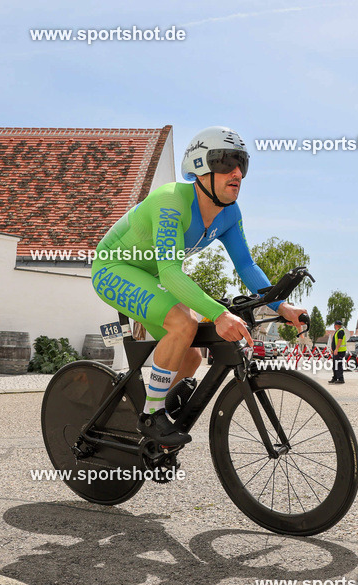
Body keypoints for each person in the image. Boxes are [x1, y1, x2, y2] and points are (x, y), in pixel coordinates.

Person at [91, 126, 307, 445]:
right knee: (184, 324)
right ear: (200, 168)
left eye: (242, 163)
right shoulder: (171, 201)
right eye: (225, 162)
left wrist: (282, 307)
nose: (236, 172)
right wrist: (220, 314)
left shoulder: (229, 214)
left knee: (191, 357)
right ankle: (152, 416)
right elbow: (169, 272)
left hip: (149, 277)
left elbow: (246, 266)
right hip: (113, 269)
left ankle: (151, 426)